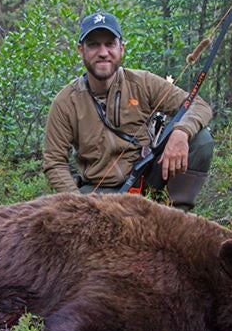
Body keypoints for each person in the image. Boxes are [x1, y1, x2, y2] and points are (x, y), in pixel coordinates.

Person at [43, 11, 214, 210]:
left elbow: (198, 105)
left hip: (148, 182)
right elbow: (54, 162)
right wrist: (79, 206)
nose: (103, 52)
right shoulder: (66, 102)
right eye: (93, 45)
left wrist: (181, 132)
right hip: (97, 194)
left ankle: (176, 216)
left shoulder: (143, 83)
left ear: (121, 48)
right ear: (80, 50)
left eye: (110, 44)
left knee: (201, 139)